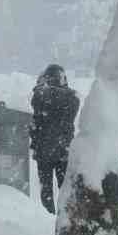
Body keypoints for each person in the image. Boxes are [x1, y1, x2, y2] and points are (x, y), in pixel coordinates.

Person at [30, 64, 79, 213]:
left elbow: (36, 102)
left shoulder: (41, 95)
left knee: (46, 188)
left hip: (43, 151)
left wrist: (40, 86)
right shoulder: (72, 98)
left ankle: (48, 214)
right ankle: (66, 215)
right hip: (63, 150)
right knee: (65, 188)